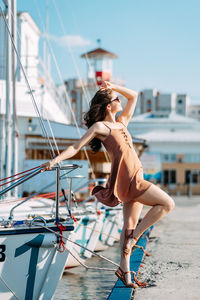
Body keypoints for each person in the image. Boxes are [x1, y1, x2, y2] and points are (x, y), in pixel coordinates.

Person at [43, 81, 175, 287]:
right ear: (108, 106)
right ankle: (135, 240)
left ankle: (125, 272)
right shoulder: (100, 127)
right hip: (129, 179)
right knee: (167, 204)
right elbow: (76, 146)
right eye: (116, 99)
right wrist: (54, 161)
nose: (120, 100)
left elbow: (134, 96)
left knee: (128, 227)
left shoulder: (122, 122)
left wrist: (113, 86)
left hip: (133, 177)